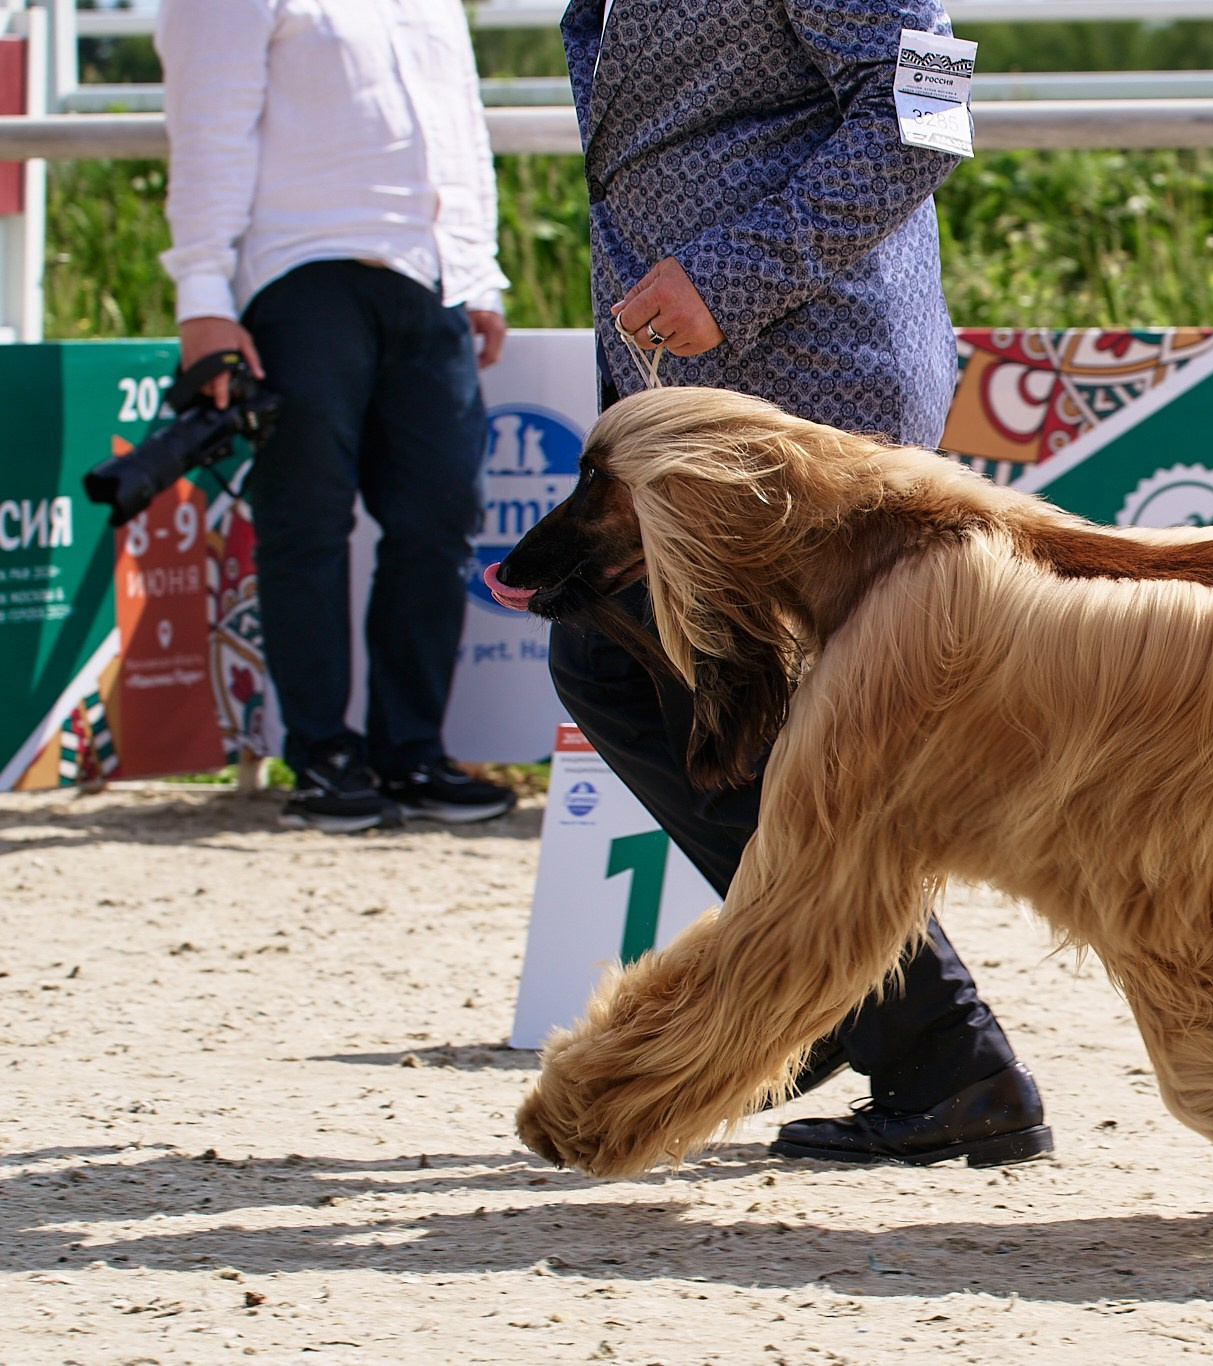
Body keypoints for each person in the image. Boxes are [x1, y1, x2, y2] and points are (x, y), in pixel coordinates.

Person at [552, 0, 1052, 1167]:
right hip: (714, 388)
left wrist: (730, 274)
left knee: (663, 682)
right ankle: (858, 1005)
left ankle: (933, 1046)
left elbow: (924, 118)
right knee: (652, 678)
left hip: (800, 374)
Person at [157, 0, 517, 834]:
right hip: (294, 277)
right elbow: (205, 131)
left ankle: (412, 750)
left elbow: (458, 123)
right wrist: (202, 300)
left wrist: (478, 272)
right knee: (306, 520)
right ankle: (319, 753)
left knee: (440, 516)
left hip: (428, 286)